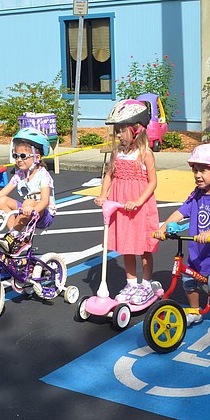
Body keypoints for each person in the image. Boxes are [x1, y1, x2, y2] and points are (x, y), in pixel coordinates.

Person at [153, 144, 210, 333]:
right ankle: (194, 311)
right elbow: (181, 212)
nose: (197, 175)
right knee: (188, 279)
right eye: (195, 171)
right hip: (198, 251)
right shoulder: (196, 195)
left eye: (202, 171)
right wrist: (163, 227)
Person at [94, 99, 159, 305]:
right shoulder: (117, 152)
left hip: (140, 206)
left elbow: (152, 182)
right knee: (127, 245)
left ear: (137, 130)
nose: (119, 135)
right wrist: (104, 195)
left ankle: (146, 283)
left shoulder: (145, 154)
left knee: (144, 245)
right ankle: (131, 283)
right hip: (121, 204)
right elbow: (109, 176)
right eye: (117, 131)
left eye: (122, 130)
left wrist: (139, 201)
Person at [0, 126, 55, 255]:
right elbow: (0, 194)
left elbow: (45, 201)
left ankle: (12, 236)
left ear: (38, 157)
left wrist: (33, 210)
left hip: (43, 214)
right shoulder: (19, 174)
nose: (19, 160)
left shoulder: (43, 175)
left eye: (23, 156)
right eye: (16, 156)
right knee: (2, 201)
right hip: (27, 209)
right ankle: (17, 238)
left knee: (28, 202)